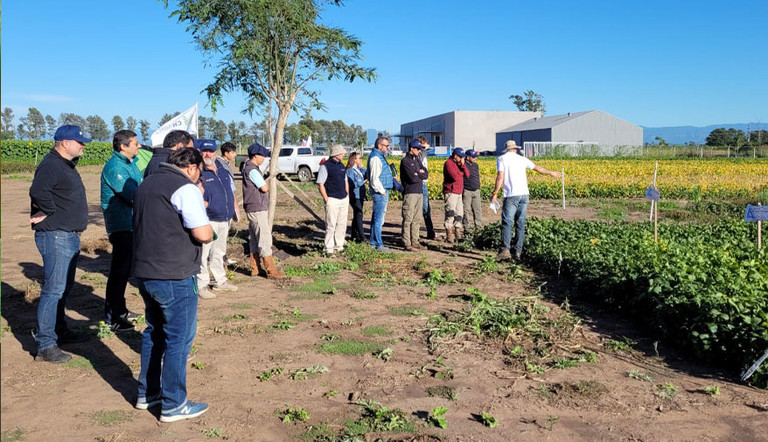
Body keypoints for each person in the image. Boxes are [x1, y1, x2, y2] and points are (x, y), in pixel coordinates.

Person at [132, 148, 213, 422]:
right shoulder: (185, 188)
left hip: (145, 272)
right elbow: (203, 233)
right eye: (199, 171)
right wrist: (204, 211)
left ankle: (148, 392)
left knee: (153, 333)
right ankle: (174, 403)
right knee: (179, 339)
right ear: (192, 167)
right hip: (174, 275)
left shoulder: (147, 183)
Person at [29, 125, 92, 363]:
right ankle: (45, 345)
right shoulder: (51, 165)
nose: (83, 145)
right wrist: (50, 211)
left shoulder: (64, 165)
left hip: (68, 235)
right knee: (53, 290)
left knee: (63, 288)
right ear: (64, 142)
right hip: (56, 235)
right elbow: (38, 191)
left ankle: (59, 330)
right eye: (80, 142)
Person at [100, 129, 143, 332]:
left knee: (125, 270)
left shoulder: (130, 164)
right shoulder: (115, 167)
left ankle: (121, 310)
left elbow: (140, 187)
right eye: (135, 143)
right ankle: (113, 317)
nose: (139, 146)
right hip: (121, 225)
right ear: (123, 146)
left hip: (131, 223)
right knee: (119, 270)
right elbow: (132, 194)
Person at [491, 140, 561, 261]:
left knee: (507, 222)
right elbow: (537, 168)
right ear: (515, 149)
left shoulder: (502, 159)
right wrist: (551, 173)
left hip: (511, 195)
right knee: (520, 223)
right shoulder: (522, 159)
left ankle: (505, 250)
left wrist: (495, 193)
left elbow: (500, 177)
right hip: (524, 194)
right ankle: (518, 252)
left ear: (507, 149)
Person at [195, 139, 239, 299]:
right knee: (203, 253)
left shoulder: (223, 169)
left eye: (211, 151)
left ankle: (220, 281)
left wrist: (234, 209)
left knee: (219, 252)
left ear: (215, 152)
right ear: (200, 152)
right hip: (208, 219)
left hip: (224, 218)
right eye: (205, 151)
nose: (208, 154)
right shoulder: (198, 171)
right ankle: (202, 284)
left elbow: (231, 191)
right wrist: (206, 204)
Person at [242, 142, 285, 278]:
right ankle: (271, 270)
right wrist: (267, 183)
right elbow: (264, 188)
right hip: (257, 207)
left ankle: (255, 268)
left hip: (252, 207)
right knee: (264, 238)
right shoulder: (253, 170)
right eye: (262, 156)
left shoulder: (248, 168)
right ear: (255, 156)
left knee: (254, 239)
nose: (263, 158)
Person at [317, 144, 349, 255]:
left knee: (342, 223)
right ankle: (329, 248)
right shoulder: (325, 166)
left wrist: (347, 195)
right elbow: (320, 184)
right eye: (342, 153)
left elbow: (345, 181)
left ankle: (339, 245)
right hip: (332, 199)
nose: (344, 154)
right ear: (336, 154)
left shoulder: (341, 166)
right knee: (331, 225)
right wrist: (327, 199)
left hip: (343, 199)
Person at [399, 139, 429, 251]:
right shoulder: (405, 161)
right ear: (412, 148)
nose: (419, 151)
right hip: (410, 192)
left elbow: (425, 174)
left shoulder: (417, 160)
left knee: (417, 218)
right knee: (408, 218)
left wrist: (418, 173)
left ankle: (415, 241)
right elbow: (411, 178)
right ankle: (406, 242)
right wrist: (418, 173)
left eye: (420, 149)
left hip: (419, 192)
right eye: (417, 149)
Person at [367, 136, 394, 252]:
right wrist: (382, 191)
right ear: (379, 146)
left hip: (381, 191)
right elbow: (374, 179)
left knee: (376, 218)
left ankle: (373, 243)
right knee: (378, 219)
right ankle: (378, 244)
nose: (388, 148)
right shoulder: (376, 158)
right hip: (379, 192)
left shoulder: (379, 157)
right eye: (386, 146)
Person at [442, 147, 470, 243]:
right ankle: (449, 236)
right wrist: (460, 171)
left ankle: (458, 234)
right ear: (455, 156)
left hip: (459, 192)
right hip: (451, 191)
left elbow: (467, 174)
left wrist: (462, 166)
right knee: (450, 213)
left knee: (459, 214)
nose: (462, 159)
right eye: (461, 157)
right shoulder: (448, 163)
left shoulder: (459, 164)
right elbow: (454, 176)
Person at [416, 136, 436, 240]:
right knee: (422, 209)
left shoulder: (424, 152)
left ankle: (430, 231)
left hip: (424, 183)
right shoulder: (418, 154)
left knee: (427, 209)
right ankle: (417, 233)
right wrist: (422, 145)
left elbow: (430, 148)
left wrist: (424, 146)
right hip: (419, 184)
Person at [346, 152, 367, 242]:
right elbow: (353, 184)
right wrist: (364, 181)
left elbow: (367, 174)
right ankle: (361, 235)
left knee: (357, 215)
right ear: (354, 159)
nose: (360, 160)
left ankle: (354, 235)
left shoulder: (358, 169)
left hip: (360, 195)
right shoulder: (350, 170)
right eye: (359, 158)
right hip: (354, 195)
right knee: (359, 214)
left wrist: (362, 167)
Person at [462, 149, 483, 230]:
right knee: (466, 210)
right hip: (467, 190)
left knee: (477, 210)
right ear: (467, 157)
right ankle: (466, 227)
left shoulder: (475, 165)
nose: (475, 158)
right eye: (473, 157)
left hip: (476, 190)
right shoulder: (463, 165)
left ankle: (478, 227)